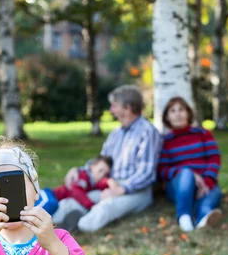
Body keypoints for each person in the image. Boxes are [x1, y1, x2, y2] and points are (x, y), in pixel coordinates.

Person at [53, 85, 161, 232]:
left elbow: (146, 173)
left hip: (136, 191)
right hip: (108, 186)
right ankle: (49, 225)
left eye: (114, 106)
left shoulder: (148, 132)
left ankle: (78, 226)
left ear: (128, 108)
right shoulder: (115, 134)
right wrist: (79, 170)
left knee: (106, 207)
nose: (111, 110)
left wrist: (121, 189)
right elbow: (101, 162)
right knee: (71, 202)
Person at [158, 96, 222, 232]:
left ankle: (203, 219)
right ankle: (184, 217)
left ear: (188, 113)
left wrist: (207, 182)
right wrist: (189, 175)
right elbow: (162, 169)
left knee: (209, 198)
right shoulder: (165, 141)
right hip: (178, 186)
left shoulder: (203, 134)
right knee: (186, 173)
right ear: (167, 117)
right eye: (173, 111)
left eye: (181, 110)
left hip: (206, 183)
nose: (177, 114)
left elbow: (214, 158)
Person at [36, 155, 113, 215]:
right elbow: (76, 191)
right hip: (50, 194)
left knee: (51, 210)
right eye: (100, 171)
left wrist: (109, 181)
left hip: (56, 199)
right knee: (50, 205)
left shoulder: (92, 183)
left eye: (105, 174)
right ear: (92, 167)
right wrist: (91, 205)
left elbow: (101, 185)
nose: (102, 175)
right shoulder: (83, 176)